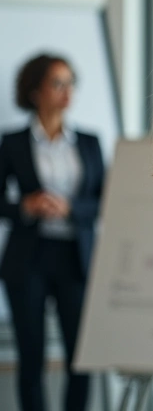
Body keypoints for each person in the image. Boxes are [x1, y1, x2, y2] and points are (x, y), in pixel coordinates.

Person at [0, 55, 104, 411]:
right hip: (28, 257)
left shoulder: (89, 142)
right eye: (57, 83)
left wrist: (72, 209)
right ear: (34, 92)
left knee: (80, 356)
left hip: (75, 257)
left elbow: (103, 200)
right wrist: (26, 207)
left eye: (70, 82)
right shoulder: (13, 142)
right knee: (32, 356)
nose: (67, 91)